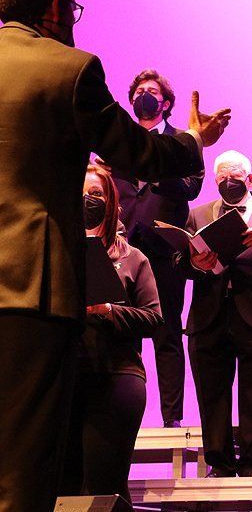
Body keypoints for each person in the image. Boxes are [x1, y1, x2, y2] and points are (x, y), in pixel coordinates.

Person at [0, 0, 230, 510]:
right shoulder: (68, 70)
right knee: (25, 471)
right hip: (30, 292)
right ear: (56, 5)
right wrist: (195, 138)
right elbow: (143, 152)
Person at [107, 68, 205, 428]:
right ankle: (120, 413)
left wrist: (155, 170)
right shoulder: (119, 142)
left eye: (151, 91)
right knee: (119, 329)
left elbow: (191, 186)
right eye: (138, 92)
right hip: (121, 251)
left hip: (165, 251)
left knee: (167, 334)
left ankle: (172, 420)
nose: (143, 96)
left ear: (165, 103)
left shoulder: (181, 141)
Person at [59, 164, 163, 503]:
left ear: (111, 201)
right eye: (83, 194)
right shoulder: (59, 252)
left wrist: (108, 311)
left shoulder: (133, 258)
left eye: (97, 194)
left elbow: (153, 318)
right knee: (63, 486)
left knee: (105, 486)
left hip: (115, 378)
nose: (89, 200)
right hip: (66, 378)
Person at [175, 150, 252, 477]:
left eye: (234, 176)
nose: (227, 181)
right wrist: (195, 263)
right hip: (210, 316)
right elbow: (181, 263)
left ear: (249, 180)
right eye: (221, 176)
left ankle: (251, 463)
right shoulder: (198, 215)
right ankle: (218, 463)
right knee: (213, 393)